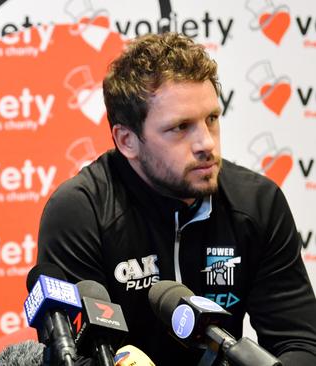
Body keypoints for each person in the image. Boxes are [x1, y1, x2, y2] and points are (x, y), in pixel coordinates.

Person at [37, 32, 316, 365]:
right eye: (181, 127)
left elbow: (300, 343)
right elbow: (73, 356)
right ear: (127, 140)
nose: (206, 144)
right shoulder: (81, 212)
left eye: (211, 119)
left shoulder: (257, 203)